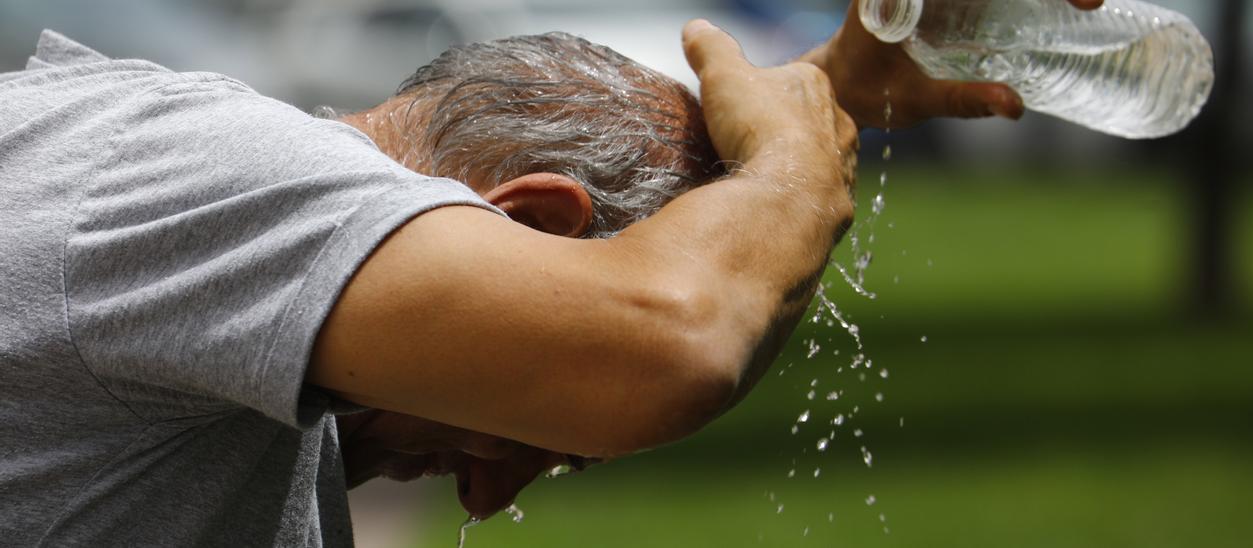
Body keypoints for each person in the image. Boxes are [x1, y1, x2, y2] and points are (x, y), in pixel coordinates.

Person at [0, 1, 1101, 545]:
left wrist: (818, 95)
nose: (487, 493)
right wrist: (797, 170)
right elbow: (665, 342)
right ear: (528, 219)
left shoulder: (216, 255)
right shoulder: (220, 175)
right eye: (534, 427)